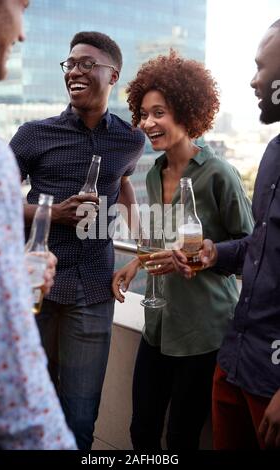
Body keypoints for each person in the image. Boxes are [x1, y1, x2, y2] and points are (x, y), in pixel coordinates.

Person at [10, 31, 145, 450]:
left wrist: (139, 240)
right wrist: (52, 213)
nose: (74, 71)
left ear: (113, 75)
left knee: (81, 416)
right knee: (31, 407)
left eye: (87, 63)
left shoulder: (131, 139)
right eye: (70, 64)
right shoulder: (33, 134)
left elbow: (122, 181)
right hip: (36, 291)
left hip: (93, 291)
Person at [112, 50, 254, 450]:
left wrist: (205, 256)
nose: (147, 123)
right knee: (141, 431)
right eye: (143, 113)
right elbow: (162, 241)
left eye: (159, 113)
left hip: (203, 333)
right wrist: (134, 264)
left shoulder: (219, 175)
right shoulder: (155, 172)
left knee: (180, 439)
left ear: (186, 113)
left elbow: (250, 252)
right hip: (158, 327)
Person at [0, 0, 76, 449]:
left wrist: (5, 274)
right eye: (21, 5)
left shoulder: (128, 140)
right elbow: (7, 371)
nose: (22, 33)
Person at [188, 19, 280, 450]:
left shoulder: (220, 171)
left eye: (261, 67)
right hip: (236, 363)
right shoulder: (273, 153)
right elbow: (260, 248)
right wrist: (215, 254)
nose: (253, 79)